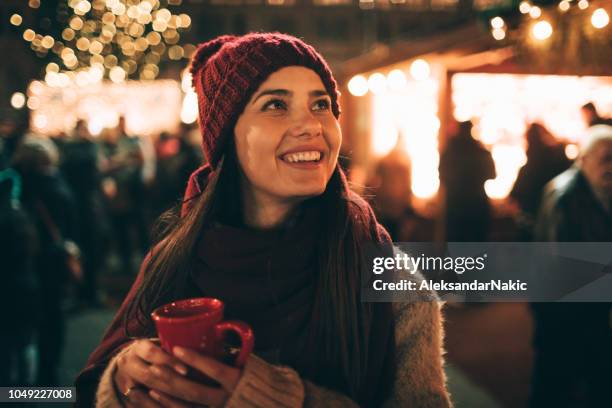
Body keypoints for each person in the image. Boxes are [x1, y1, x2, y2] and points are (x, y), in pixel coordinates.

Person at [75, 33, 451, 407]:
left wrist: (282, 398)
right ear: (226, 137)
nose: (312, 125)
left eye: (321, 104)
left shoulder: (392, 281)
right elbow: (95, 388)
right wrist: (126, 380)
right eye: (275, 105)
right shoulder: (173, 258)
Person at [531, 125, 612, 407]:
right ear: (584, 159)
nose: (611, 167)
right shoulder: (565, 197)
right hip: (564, 308)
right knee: (556, 381)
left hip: (584, 303)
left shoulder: (594, 189)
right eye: (605, 158)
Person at [11, 135, 78, 385]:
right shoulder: (56, 186)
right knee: (51, 325)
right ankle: (46, 383)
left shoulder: (12, 187)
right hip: (50, 265)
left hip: (18, 268)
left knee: (20, 334)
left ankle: (18, 391)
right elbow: (71, 224)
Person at [510, 123, 571, 238]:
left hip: (533, 224)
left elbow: (516, 195)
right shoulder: (560, 163)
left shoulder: (528, 169)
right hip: (558, 223)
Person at [439, 120, 496, 241]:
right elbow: (492, 174)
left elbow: (442, 176)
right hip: (477, 204)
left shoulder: (450, 153)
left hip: (455, 207)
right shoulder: (480, 151)